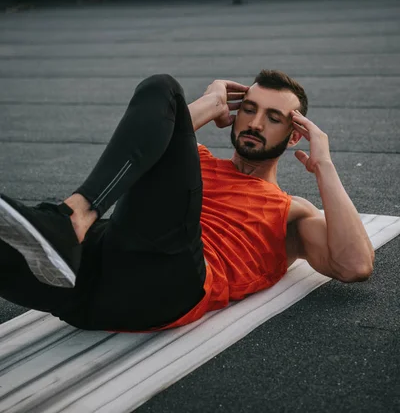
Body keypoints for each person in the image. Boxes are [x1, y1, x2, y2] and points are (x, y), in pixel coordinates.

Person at [0, 72, 375, 333]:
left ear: (295, 137)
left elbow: (354, 265)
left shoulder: (291, 210)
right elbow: (153, 135)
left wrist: (324, 166)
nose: (255, 123)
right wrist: (209, 104)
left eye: (273, 117)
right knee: (158, 96)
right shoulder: (198, 159)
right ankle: (68, 227)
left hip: (168, 286)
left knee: (165, 87)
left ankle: (70, 220)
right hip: (87, 288)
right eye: (248, 108)